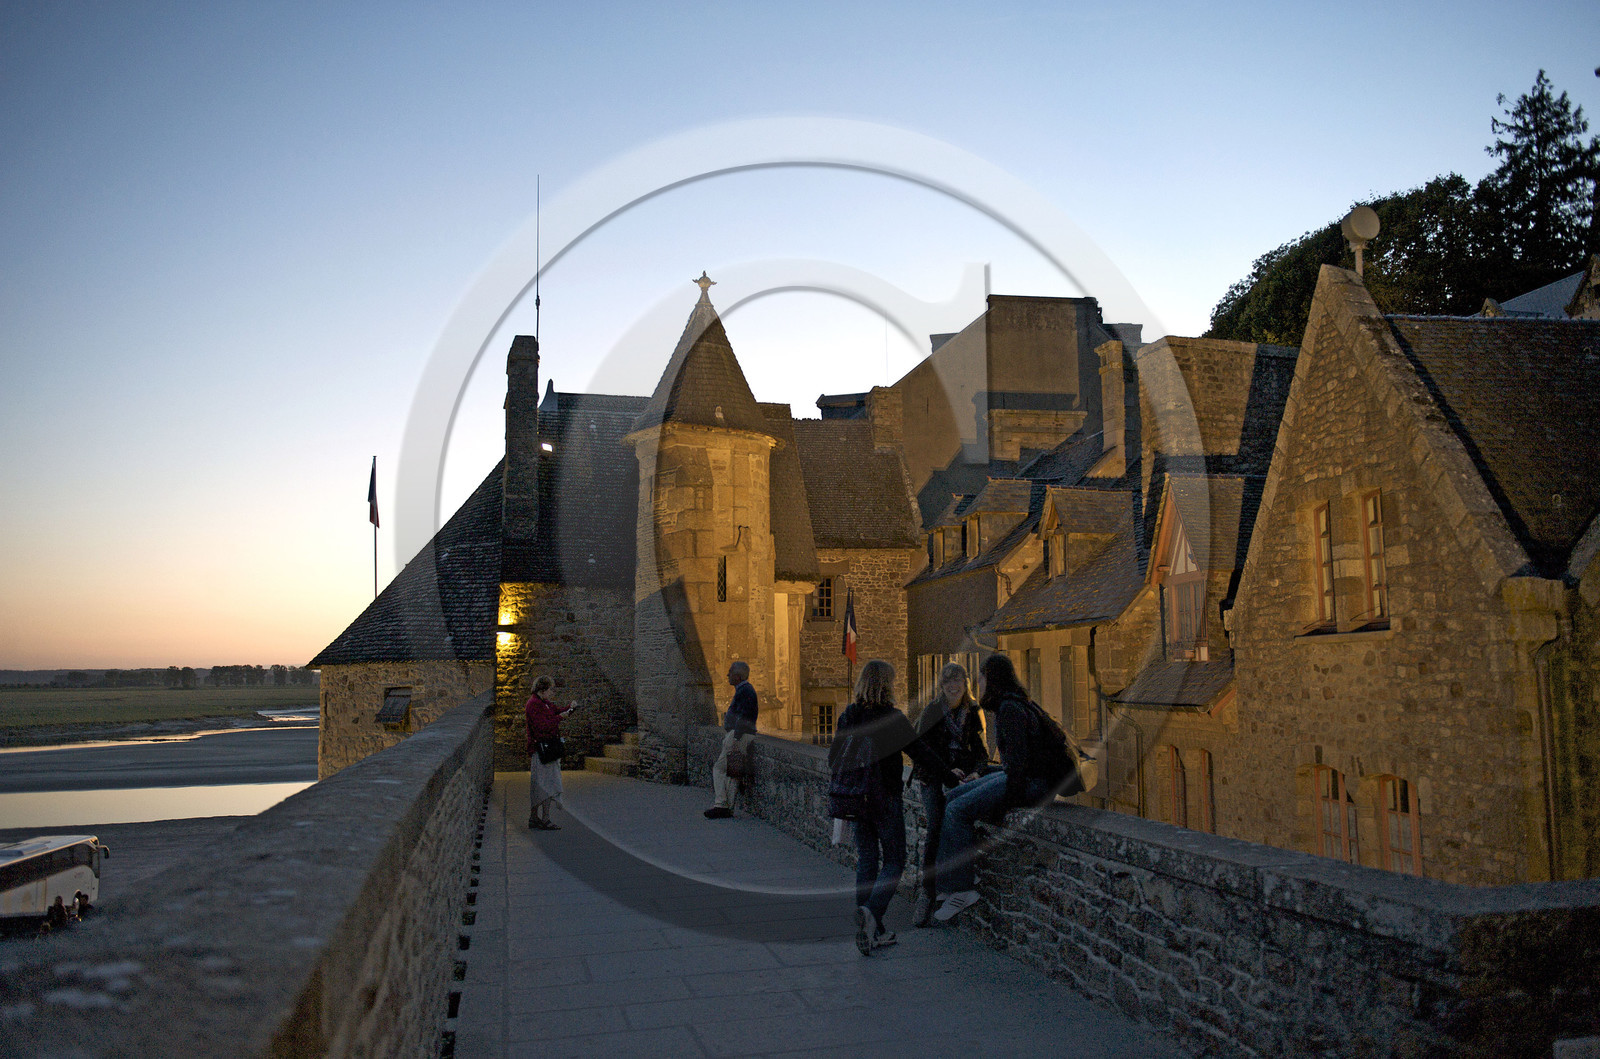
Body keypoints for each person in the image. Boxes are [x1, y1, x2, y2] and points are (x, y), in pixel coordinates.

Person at [933, 653, 1076, 923]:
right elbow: (1015, 765)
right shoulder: (1015, 703)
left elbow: (1019, 769)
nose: (979, 682)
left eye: (983, 677)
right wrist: (983, 774)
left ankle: (961, 889)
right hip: (1028, 778)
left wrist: (998, 804)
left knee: (957, 810)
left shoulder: (1009, 710)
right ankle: (953, 878)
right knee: (950, 796)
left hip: (1033, 785)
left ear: (992, 679)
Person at [830, 659, 954, 955]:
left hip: (856, 799)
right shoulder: (892, 718)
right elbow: (921, 753)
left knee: (867, 860)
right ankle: (871, 913)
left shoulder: (849, 715)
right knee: (895, 861)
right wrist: (952, 777)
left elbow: (834, 756)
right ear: (888, 685)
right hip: (884, 797)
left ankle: (872, 928)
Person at [907, 661, 988, 927]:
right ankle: (927, 892)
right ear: (942, 686)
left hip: (960, 778)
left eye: (958, 681)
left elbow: (980, 751)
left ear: (965, 684)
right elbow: (923, 753)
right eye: (948, 682)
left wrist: (976, 771)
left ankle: (951, 886)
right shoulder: (932, 711)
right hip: (932, 778)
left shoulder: (972, 712)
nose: (953, 687)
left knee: (956, 825)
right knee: (935, 829)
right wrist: (947, 770)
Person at [704, 661, 757, 819]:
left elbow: (743, 716)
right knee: (733, 771)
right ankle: (728, 807)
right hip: (741, 734)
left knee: (719, 768)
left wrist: (736, 737)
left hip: (738, 735)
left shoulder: (745, 690)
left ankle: (721, 804)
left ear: (738, 676)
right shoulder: (745, 690)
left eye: (730, 672)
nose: (727, 675)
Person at [525, 674, 578, 830]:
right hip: (542, 750)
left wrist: (570, 708)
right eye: (551, 690)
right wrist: (560, 718)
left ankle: (535, 817)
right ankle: (544, 818)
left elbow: (557, 711)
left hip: (545, 749)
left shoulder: (543, 703)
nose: (552, 693)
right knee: (546, 784)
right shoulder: (534, 704)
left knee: (541, 784)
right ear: (542, 690)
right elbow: (542, 726)